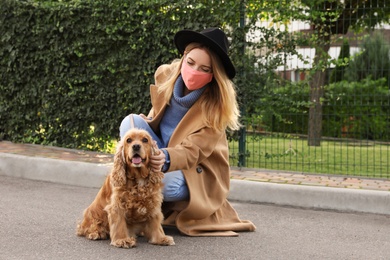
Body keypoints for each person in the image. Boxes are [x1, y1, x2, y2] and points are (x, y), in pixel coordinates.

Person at [119, 27, 256, 236]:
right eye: (191, 63)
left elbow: (193, 152)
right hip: (160, 152)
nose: (194, 71)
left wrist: (164, 157)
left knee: (167, 186)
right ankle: (134, 191)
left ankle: (136, 197)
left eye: (204, 69)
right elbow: (157, 115)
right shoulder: (166, 76)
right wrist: (149, 137)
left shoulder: (215, 108)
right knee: (130, 122)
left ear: (213, 75)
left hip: (193, 171)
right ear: (184, 57)